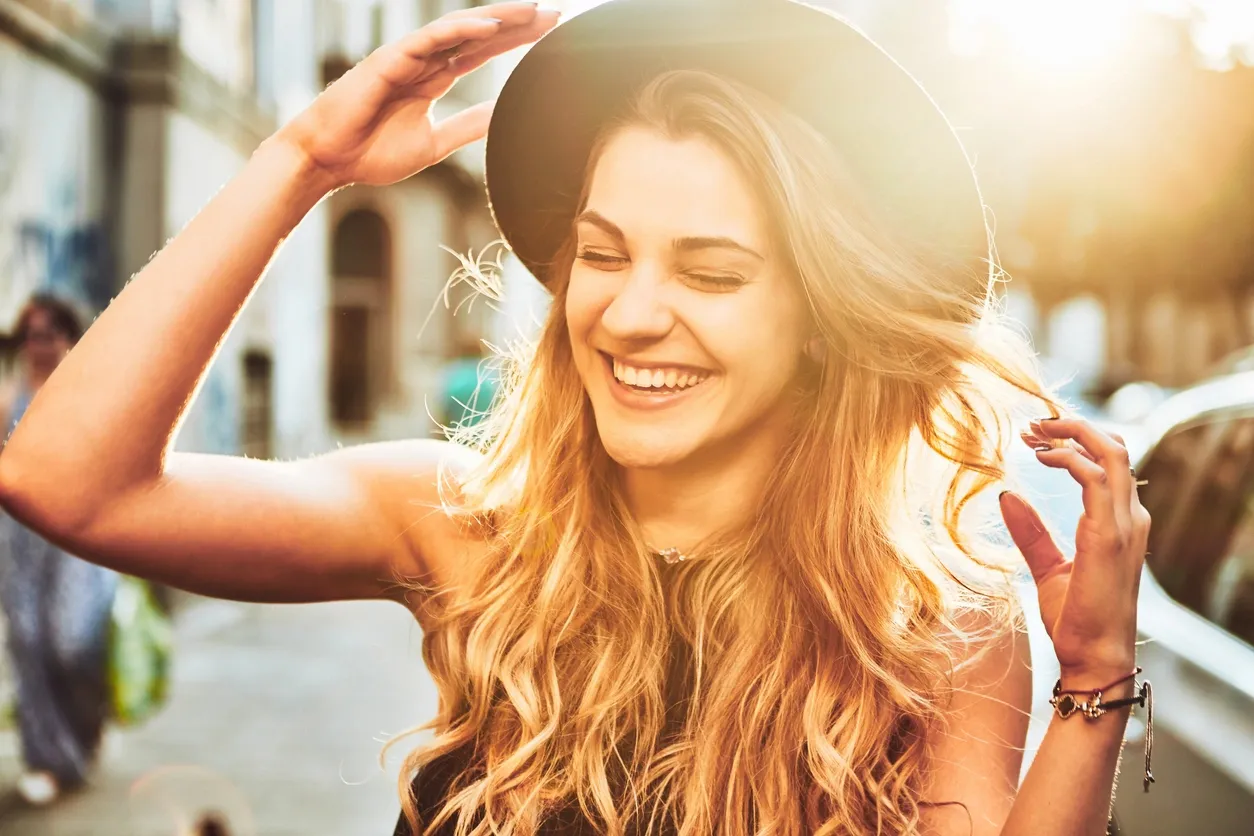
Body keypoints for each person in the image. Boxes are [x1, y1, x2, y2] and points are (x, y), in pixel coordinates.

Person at [0, 1, 1154, 834]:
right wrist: (302, 162)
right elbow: (69, 479)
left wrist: (1093, 680)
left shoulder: (932, 628)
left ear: (819, 313)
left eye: (710, 272)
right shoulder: (464, 529)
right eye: (602, 253)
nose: (631, 313)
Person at [0, 294, 119, 806]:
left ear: (69, 339)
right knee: (28, 645)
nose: (39, 345)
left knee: (72, 643)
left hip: (75, 538)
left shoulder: (88, 395)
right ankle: (48, 759)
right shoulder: (9, 396)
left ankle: (86, 729)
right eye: (31, 335)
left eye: (49, 334)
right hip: (19, 540)